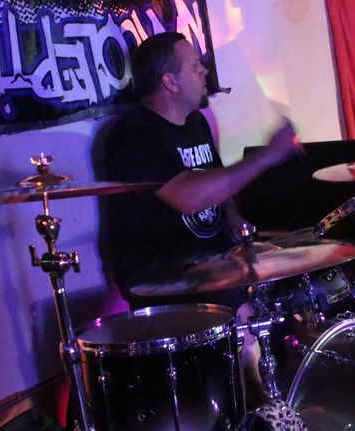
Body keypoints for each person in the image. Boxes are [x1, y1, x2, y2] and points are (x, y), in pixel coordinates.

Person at [96, 31, 302, 309]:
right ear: (170, 82)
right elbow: (188, 197)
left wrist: (231, 216)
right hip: (163, 278)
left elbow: (215, 181)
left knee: (290, 282)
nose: (204, 71)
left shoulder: (195, 123)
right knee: (244, 308)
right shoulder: (134, 135)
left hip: (209, 264)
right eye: (194, 65)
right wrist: (266, 155)